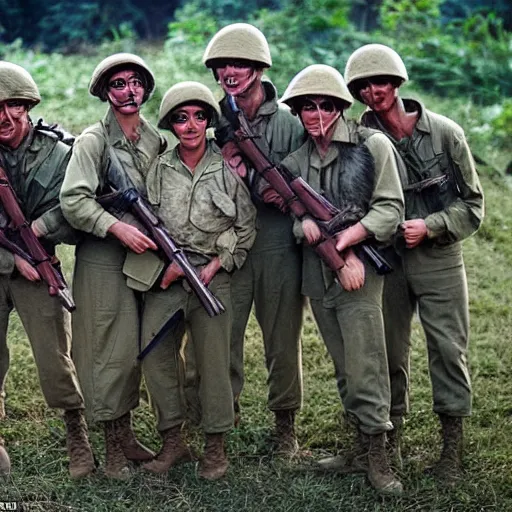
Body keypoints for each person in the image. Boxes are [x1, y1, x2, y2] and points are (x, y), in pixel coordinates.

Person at [344, 44, 484, 483]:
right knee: (386, 351)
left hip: (438, 256)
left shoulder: (444, 133)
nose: (373, 91)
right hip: (386, 260)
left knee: (447, 348)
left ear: (398, 83)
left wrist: (432, 225)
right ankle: (388, 444)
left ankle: (451, 450)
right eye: (363, 86)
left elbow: (474, 206)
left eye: (381, 81)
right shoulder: (359, 139)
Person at [280, 64, 404, 494]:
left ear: (341, 107)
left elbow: (389, 209)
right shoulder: (297, 159)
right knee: (341, 362)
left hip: (360, 270)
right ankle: (355, 446)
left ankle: (379, 455)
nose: (316, 114)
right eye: (307, 106)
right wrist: (304, 228)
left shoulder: (373, 146)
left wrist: (346, 244)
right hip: (319, 274)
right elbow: (293, 214)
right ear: (296, 111)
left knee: (366, 361)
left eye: (326, 105)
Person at [133, 81, 256, 480]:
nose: (190, 125)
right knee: (155, 355)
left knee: (214, 363)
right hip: (168, 278)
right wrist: (162, 267)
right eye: (181, 118)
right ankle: (173, 440)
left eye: (199, 117)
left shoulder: (226, 170)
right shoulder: (159, 170)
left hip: (211, 277)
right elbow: (146, 223)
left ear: (208, 122)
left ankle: (215, 448)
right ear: (171, 124)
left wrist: (218, 264)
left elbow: (246, 227)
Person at [60, 53, 165, 479]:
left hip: (144, 260)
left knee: (134, 352)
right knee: (108, 353)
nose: (128, 91)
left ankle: (126, 435)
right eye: (118, 84)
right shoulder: (93, 141)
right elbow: (74, 200)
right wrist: (115, 228)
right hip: (104, 259)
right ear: (106, 92)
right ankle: (111, 450)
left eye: (135, 82)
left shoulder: (154, 138)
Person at [203, 23, 305, 454]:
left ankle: (285, 426)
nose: (231, 71)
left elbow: (310, 179)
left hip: (278, 240)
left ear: (260, 68)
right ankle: (224, 422)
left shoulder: (290, 123)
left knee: (282, 337)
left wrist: (274, 185)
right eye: (223, 64)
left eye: (241, 63)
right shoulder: (210, 118)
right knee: (223, 334)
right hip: (228, 240)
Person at [0, 61, 94, 479]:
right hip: (10, 262)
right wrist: (13, 258)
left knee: (55, 357)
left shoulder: (58, 153)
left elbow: (74, 207)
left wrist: (38, 232)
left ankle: (77, 433)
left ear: (27, 106)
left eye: (13, 107)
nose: (4, 117)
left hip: (41, 266)